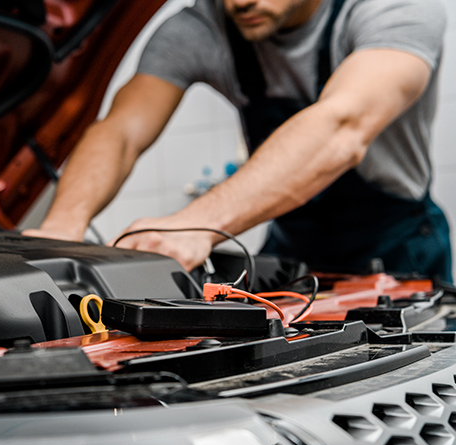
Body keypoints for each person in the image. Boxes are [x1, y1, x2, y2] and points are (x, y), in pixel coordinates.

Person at [25, 0, 452, 281]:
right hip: (292, 241)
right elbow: (121, 131)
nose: (240, 2)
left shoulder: (395, 8)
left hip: (400, 243)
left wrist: (195, 225)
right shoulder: (203, 28)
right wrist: (63, 227)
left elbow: (342, 126)